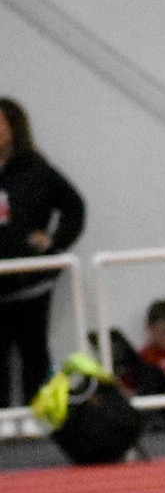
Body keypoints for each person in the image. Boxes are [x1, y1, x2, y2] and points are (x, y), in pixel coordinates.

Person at [0, 97, 85, 439]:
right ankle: (4, 418)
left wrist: (54, 242)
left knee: (33, 349)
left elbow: (74, 208)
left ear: (14, 128)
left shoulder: (36, 168)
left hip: (32, 281)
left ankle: (39, 413)